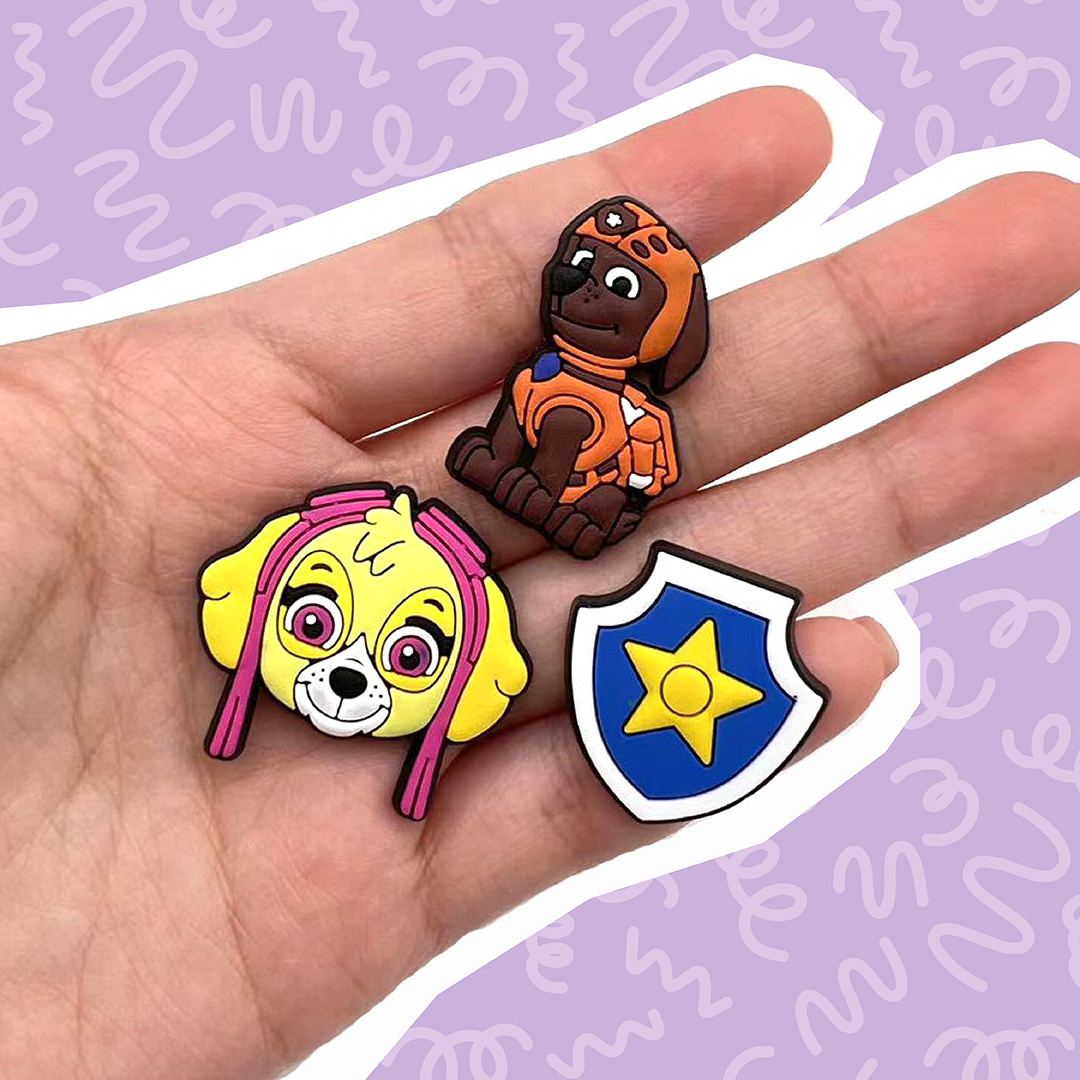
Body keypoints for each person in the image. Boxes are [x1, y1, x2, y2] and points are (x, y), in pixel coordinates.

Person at [3, 86, 1079, 1079]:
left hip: (590, 500)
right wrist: (502, 470)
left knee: (581, 491)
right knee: (505, 459)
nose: (580, 292)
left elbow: (630, 475)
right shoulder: (536, 380)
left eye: (619, 287)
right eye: (577, 270)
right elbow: (504, 443)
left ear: (666, 329)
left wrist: (588, 497)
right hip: (508, 494)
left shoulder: (636, 415)